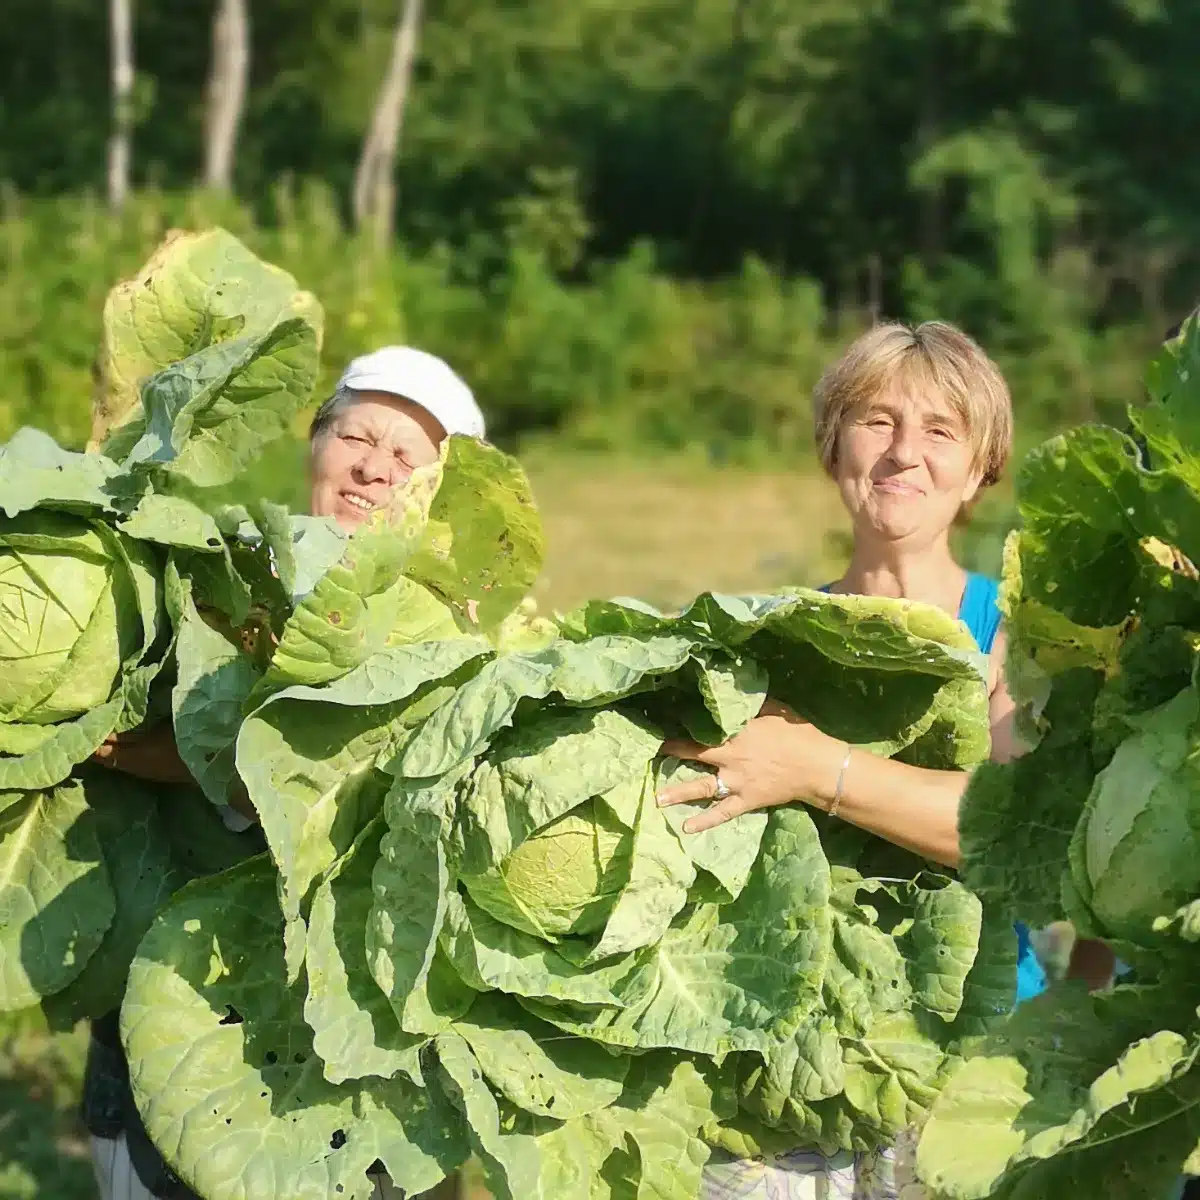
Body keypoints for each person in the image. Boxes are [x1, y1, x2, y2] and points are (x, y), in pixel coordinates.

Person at [655, 320, 1095, 1200]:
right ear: (833, 447)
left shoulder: (1018, 641)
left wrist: (816, 770)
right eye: (875, 421)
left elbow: (1009, 831)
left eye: (940, 431)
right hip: (776, 1066)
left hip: (969, 1065)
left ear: (980, 470)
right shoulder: (761, 638)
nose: (904, 453)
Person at [85, 345, 484, 1200]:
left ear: (440, 494)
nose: (374, 469)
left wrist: (175, 761)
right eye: (356, 437)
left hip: (353, 1044)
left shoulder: (455, 638)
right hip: (179, 1003)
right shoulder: (216, 574)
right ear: (315, 442)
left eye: (408, 457)